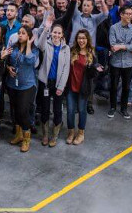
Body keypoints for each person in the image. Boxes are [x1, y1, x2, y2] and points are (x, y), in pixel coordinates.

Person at [35, 15, 71, 147]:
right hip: (45, 82)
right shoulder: (47, 44)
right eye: (54, 32)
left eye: (59, 33)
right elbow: (39, 44)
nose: (56, 34)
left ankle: (54, 136)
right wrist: (46, 29)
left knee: (57, 110)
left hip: (58, 84)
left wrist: (61, 86)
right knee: (44, 109)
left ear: (62, 35)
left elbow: (66, 69)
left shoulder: (66, 49)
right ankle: (45, 134)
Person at [65, 30, 101, 145]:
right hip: (71, 86)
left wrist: (94, 69)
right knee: (70, 111)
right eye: (79, 38)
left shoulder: (91, 54)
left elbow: (93, 75)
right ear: (76, 39)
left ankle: (81, 133)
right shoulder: (71, 51)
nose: (81, 40)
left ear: (87, 40)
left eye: (84, 38)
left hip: (84, 88)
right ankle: (71, 132)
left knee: (82, 110)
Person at [6, 26, 39, 152]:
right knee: (15, 110)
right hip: (13, 84)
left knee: (23, 111)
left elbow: (30, 62)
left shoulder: (34, 50)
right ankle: (19, 135)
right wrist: (9, 68)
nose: (20, 35)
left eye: (23, 33)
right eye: (19, 33)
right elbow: (8, 60)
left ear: (28, 36)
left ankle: (26, 138)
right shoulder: (13, 47)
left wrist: (29, 45)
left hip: (27, 85)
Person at [107, 6, 132, 119]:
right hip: (115, 62)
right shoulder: (114, 28)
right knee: (114, 86)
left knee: (126, 86)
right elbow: (112, 45)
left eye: (131, 14)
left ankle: (124, 109)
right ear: (121, 15)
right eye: (128, 14)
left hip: (129, 63)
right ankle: (112, 107)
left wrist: (120, 46)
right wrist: (126, 46)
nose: (131, 16)